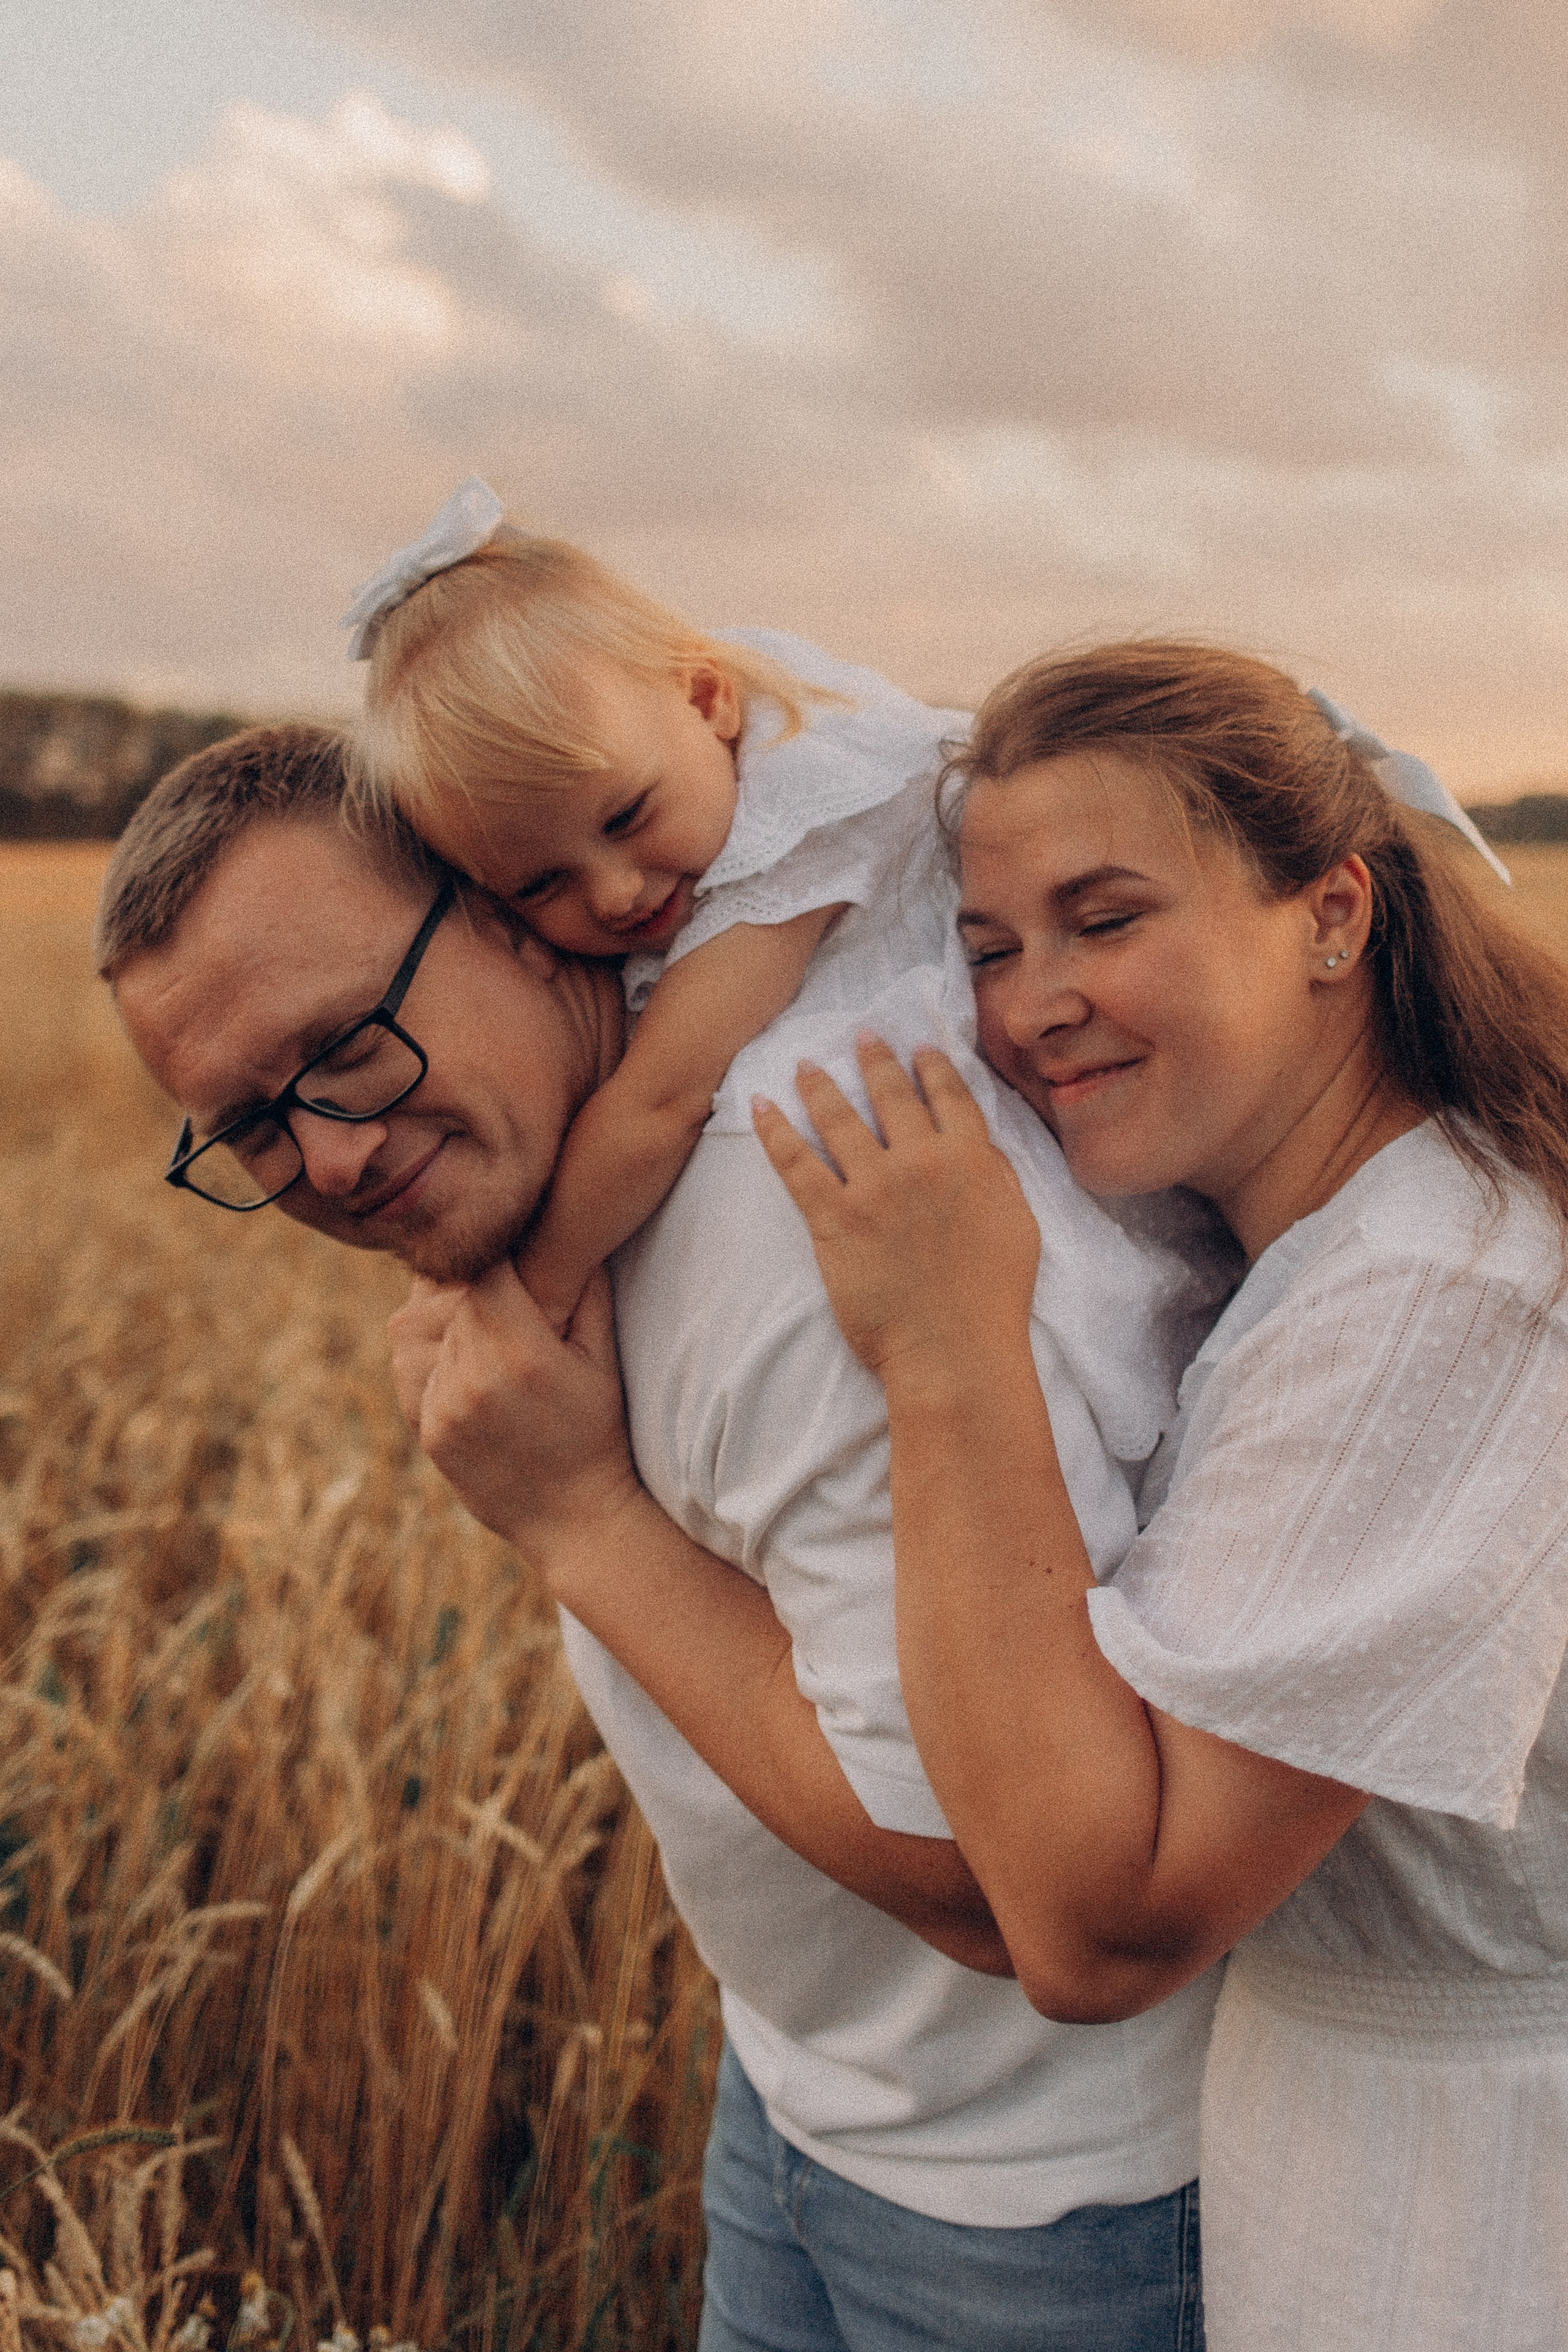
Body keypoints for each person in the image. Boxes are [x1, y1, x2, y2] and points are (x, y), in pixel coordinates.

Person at [100, 721, 1232, 2352]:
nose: (333, 1154)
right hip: (806, 2100)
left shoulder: (779, 1229)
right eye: (253, 1129)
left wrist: (576, 1520)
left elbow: (996, 1886)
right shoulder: (583, 1200)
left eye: (346, 1044)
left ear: (511, 910)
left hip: (1047, 2200)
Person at [740, 642, 1568, 2351]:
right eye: (987, 947)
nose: (1030, 1002)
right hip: (1335, 2132)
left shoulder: (1440, 1289)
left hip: (1482, 2203)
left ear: (1333, 915)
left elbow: (1099, 1925)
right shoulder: (1295, 1242)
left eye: (1105, 919)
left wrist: (948, 1338)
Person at [341, 477, 971, 1331]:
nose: (614, 892)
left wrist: (535, 1294)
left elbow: (660, 1103)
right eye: (539, 885)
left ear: (706, 699)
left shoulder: (804, 814)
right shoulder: (677, 772)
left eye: (627, 816)